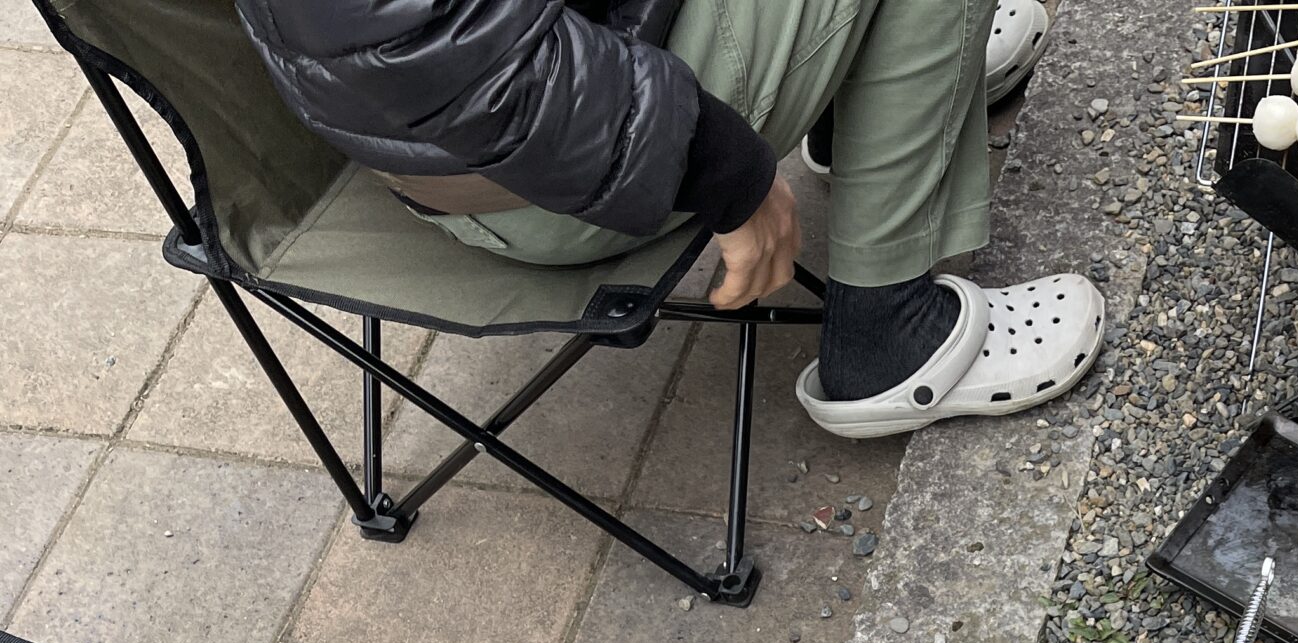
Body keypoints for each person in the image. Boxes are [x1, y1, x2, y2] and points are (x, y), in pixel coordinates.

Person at [236, 0, 1099, 441]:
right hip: (553, 168)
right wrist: (718, 164)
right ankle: (891, 336)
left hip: (525, 98)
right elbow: (465, 67)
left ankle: (891, 80)